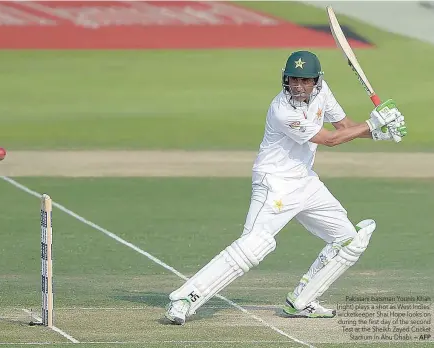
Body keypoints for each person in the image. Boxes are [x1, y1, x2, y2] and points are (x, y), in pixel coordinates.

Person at [164, 51, 407, 324]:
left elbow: (345, 126)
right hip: (274, 183)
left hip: (305, 182)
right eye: (294, 80)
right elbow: (330, 139)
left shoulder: (322, 92)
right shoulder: (282, 110)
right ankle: (185, 298)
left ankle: (301, 301)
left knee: (349, 240)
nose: (299, 87)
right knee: (254, 246)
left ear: (316, 81)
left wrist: (377, 132)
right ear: (285, 79)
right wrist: (373, 124)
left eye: (305, 81)